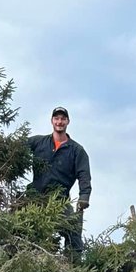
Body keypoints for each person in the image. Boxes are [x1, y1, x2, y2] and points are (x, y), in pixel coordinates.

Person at [28, 106, 92, 258]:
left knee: (73, 229)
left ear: (68, 121)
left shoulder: (77, 150)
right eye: (56, 118)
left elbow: (84, 175)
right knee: (16, 224)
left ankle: (73, 270)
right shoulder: (39, 142)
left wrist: (84, 197)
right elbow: (15, 148)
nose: (59, 121)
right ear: (52, 121)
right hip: (34, 197)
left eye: (63, 119)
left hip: (59, 200)